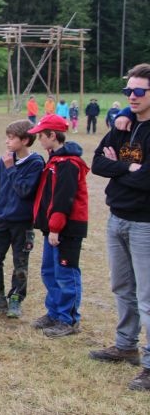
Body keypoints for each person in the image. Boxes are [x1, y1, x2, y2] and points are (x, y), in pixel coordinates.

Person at [89, 63, 150, 392]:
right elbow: (98, 163)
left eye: (139, 91)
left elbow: (147, 180)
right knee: (122, 287)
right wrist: (127, 167)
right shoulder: (123, 125)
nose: (132, 96)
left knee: (147, 296)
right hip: (117, 218)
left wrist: (118, 168)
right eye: (128, 91)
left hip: (145, 224)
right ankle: (126, 345)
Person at [0, 120, 44, 318]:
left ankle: (15, 299)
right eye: (7, 137)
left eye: (11, 138)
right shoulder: (4, 160)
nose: (7, 142)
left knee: (20, 263)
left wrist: (11, 168)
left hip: (22, 223)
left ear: (25, 140)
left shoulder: (36, 163)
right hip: (1, 221)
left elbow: (24, 191)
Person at [28, 114, 89, 338]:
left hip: (66, 229)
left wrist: (55, 227)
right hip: (52, 229)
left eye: (41, 136)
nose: (39, 140)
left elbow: (63, 199)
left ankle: (68, 319)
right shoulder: (54, 160)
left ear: (53, 135)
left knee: (66, 274)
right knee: (50, 271)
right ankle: (54, 313)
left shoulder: (68, 164)